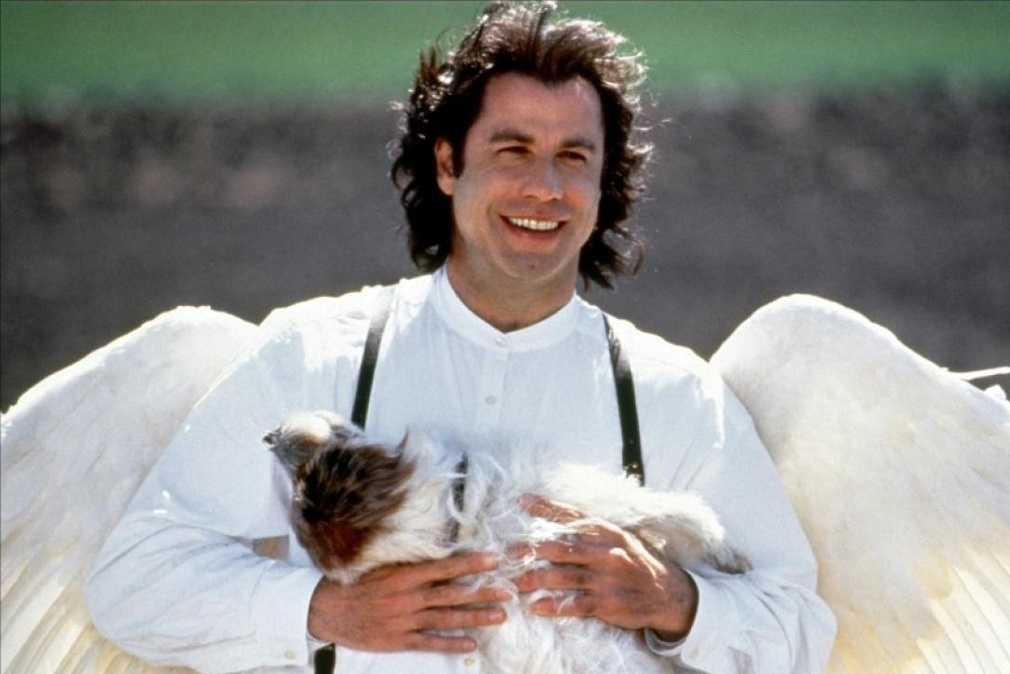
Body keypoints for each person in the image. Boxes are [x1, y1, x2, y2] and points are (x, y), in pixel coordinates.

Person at [84, 2, 836, 672]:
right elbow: (134, 583)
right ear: (448, 163)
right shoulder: (310, 357)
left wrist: (676, 603)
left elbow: (801, 631)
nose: (544, 187)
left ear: (604, 181)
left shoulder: (675, 397)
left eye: (574, 157)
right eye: (513, 150)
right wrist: (324, 612)